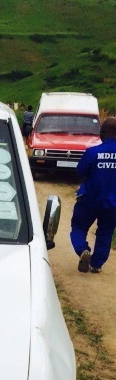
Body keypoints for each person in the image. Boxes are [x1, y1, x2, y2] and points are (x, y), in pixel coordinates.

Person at [70, 116, 116, 274]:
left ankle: (83, 250)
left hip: (89, 199)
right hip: (113, 203)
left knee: (78, 227)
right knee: (106, 232)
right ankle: (96, 264)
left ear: (102, 133)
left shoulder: (92, 152)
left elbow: (80, 172)